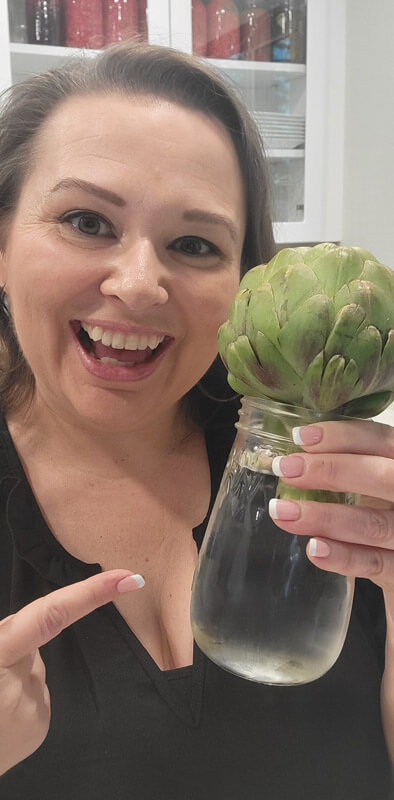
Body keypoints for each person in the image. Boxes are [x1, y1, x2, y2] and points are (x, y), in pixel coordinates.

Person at [0, 40, 392, 800]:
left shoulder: (334, 485)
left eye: (194, 244)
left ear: (243, 282)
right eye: (86, 220)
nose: (140, 284)